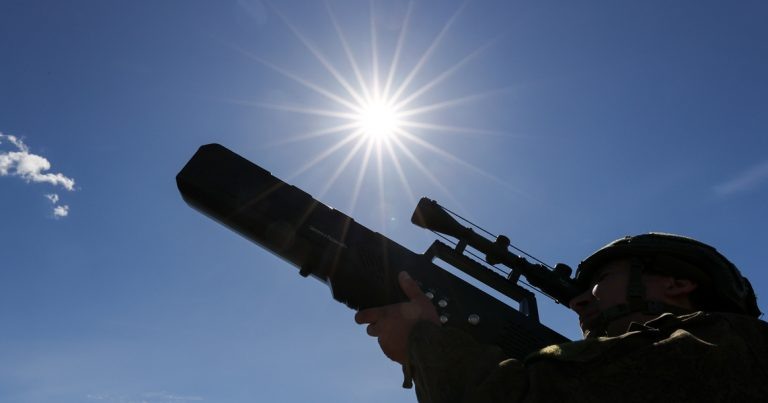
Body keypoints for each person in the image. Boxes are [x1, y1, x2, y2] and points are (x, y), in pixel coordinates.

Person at [355, 232, 768, 402]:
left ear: (677, 284)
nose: (579, 304)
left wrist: (425, 340)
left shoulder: (724, 345)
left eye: (602, 281)